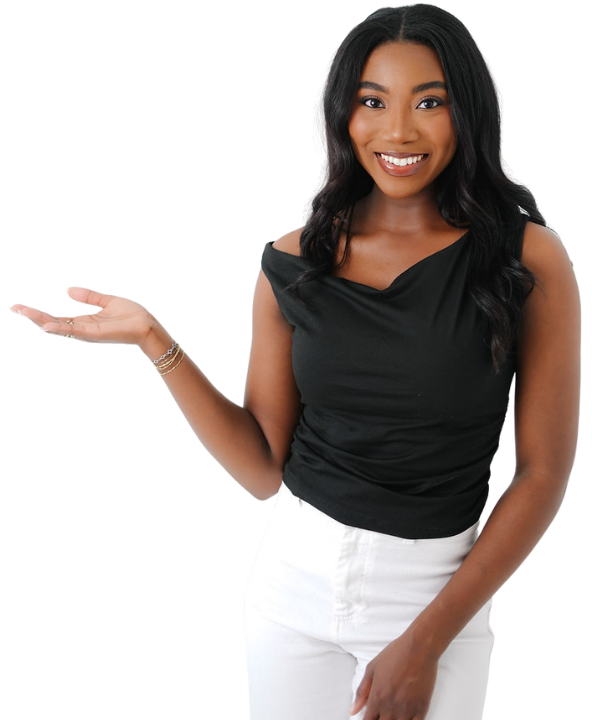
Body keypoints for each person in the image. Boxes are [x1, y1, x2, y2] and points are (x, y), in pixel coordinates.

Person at [9, 4, 581, 719]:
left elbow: (542, 474)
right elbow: (260, 469)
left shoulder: (526, 259)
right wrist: (156, 342)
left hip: (434, 596)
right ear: (343, 115)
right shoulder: (294, 261)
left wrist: (426, 642)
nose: (398, 131)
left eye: (429, 102)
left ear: (468, 112)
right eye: (373, 101)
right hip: (293, 589)